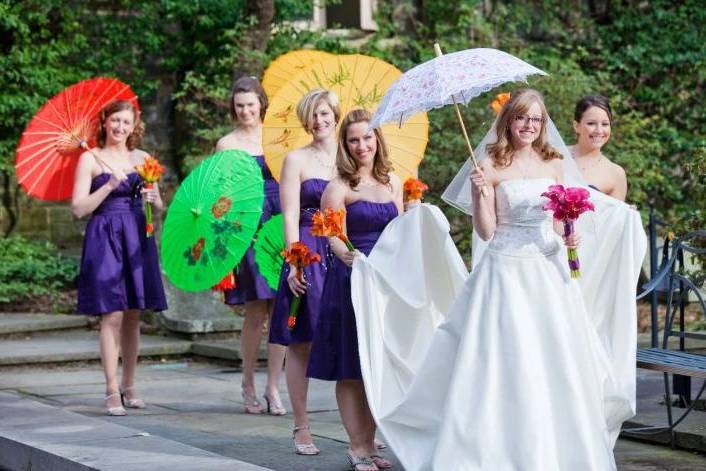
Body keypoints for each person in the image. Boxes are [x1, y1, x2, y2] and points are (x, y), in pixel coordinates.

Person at [350, 89, 647, 470]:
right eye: (523, 117)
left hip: (549, 270)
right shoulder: (489, 163)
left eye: (537, 119)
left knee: (553, 359)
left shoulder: (554, 164)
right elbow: (487, 231)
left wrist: (569, 233)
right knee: (502, 357)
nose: (529, 126)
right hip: (505, 269)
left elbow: (557, 224)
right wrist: (478, 194)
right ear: (509, 120)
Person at [308, 109, 401, 471]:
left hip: (387, 283)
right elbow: (333, 239)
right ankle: (356, 446)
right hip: (353, 280)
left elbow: (403, 230)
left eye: (367, 137)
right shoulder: (338, 188)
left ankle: (372, 446)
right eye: (353, 140)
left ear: (378, 139)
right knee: (351, 366)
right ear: (345, 146)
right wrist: (356, 260)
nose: (362, 145)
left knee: (378, 364)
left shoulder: (392, 181)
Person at [72, 100, 167, 416]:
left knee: (133, 314)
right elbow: (78, 209)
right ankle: (111, 389)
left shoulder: (143, 159)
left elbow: (160, 206)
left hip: (138, 235)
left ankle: (130, 385)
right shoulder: (89, 159)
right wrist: (108, 186)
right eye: (115, 121)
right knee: (111, 313)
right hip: (105, 236)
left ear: (134, 125)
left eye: (126, 122)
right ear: (105, 122)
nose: (120, 128)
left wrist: (155, 199)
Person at [269, 89, 339, 455]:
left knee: (351, 337)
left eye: (325, 113)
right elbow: (291, 215)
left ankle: (360, 427)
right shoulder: (295, 159)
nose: (319, 120)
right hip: (308, 249)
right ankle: (301, 426)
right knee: (301, 341)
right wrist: (295, 260)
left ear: (335, 115)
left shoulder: (351, 156)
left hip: (342, 248)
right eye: (313, 115)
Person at [216, 76, 286, 415]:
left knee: (282, 308)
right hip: (246, 223)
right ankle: (248, 382)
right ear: (234, 107)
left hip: (278, 222)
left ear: (261, 104)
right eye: (240, 105)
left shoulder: (278, 138)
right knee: (256, 310)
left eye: (251, 104)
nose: (245, 110)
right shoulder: (226, 144)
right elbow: (220, 193)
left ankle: (274, 385)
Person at [569, 95, 627, 200]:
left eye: (605, 124)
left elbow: (615, 215)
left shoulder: (616, 173)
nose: (599, 131)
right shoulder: (555, 154)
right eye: (591, 123)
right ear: (576, 126)